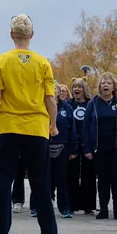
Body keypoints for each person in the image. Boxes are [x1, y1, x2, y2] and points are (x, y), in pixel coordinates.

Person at [0, 14, 59, 234]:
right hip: (36, 128)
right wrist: (53, 125)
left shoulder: (2, 61)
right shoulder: (42, 62)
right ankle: (49, 233)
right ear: (31, 35)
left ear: (11, 35)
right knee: (40, 181)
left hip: (8, 127)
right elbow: (51, 99)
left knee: (5, 179)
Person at [83, 72, 117, 220]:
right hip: (99, 148)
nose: (105, 85)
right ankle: (103, 209)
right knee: (103, 180)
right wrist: (87, 148)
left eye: (108, 83)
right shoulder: (93, 103)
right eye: (103, 83)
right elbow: (86, 127)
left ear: (113, 87)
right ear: (100, 86)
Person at [44, 82, 75, 217]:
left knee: (62, 179)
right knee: (44, 178)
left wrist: (73, 149)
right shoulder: (41, 106)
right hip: (44, 146)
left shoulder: (67, 108)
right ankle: (39, 206)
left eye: (55, 89)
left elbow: (72, 129)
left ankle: (65, 208)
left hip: (62, 147)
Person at [67, 77, 96, 215]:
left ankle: (88, 205)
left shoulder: (91, 104)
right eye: (74, 87)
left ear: (85, 89)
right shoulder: (68, 104)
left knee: (88, 174)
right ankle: (72, 204)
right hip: (72, 143)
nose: (77, 89)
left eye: (80, 87)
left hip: (87, 144)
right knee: (71, 174)